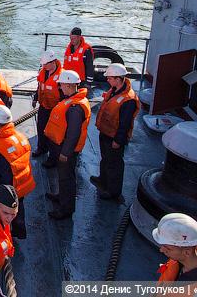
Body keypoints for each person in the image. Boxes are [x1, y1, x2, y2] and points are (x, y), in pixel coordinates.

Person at [0, 105, 35, 240]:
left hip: (9, 186)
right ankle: (20, 231)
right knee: (19, 206)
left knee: (6, 212)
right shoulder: (20, 136)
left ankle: (5, 236)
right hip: (23, 182)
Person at [43, 69, 91, 220]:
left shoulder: (75, 108)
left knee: (67, 178)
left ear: (70, 85)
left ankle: (66, 209)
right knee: (63, 177)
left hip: (66, 150)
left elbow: (73, 133)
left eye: (62, 85)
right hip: (61, 146)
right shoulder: (72, 100)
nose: (60, 87)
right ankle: (61, 196)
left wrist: (65, 152)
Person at [91, 63, 140, 201]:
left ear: (118, 79)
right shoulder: (114, 89)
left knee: (115, 164)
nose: (107, 80)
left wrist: (118, 141)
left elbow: (124, 124)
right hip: (106, 132)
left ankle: (113, 192)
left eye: (110, 78)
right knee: (105, 159)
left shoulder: (128, 100)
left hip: (114, 137)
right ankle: (103, 180)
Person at [33, 50, 62, 161]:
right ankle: (41, 148)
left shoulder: (61, 76)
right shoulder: (42, 72)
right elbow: (39, 87)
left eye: (46, 64)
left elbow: (64, 96)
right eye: (43, 64)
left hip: (55, 110)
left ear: (53, 62)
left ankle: (52, 157)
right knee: (41, 128)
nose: (44, 66)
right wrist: (36, 98)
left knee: (53, 133)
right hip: (44, 105)